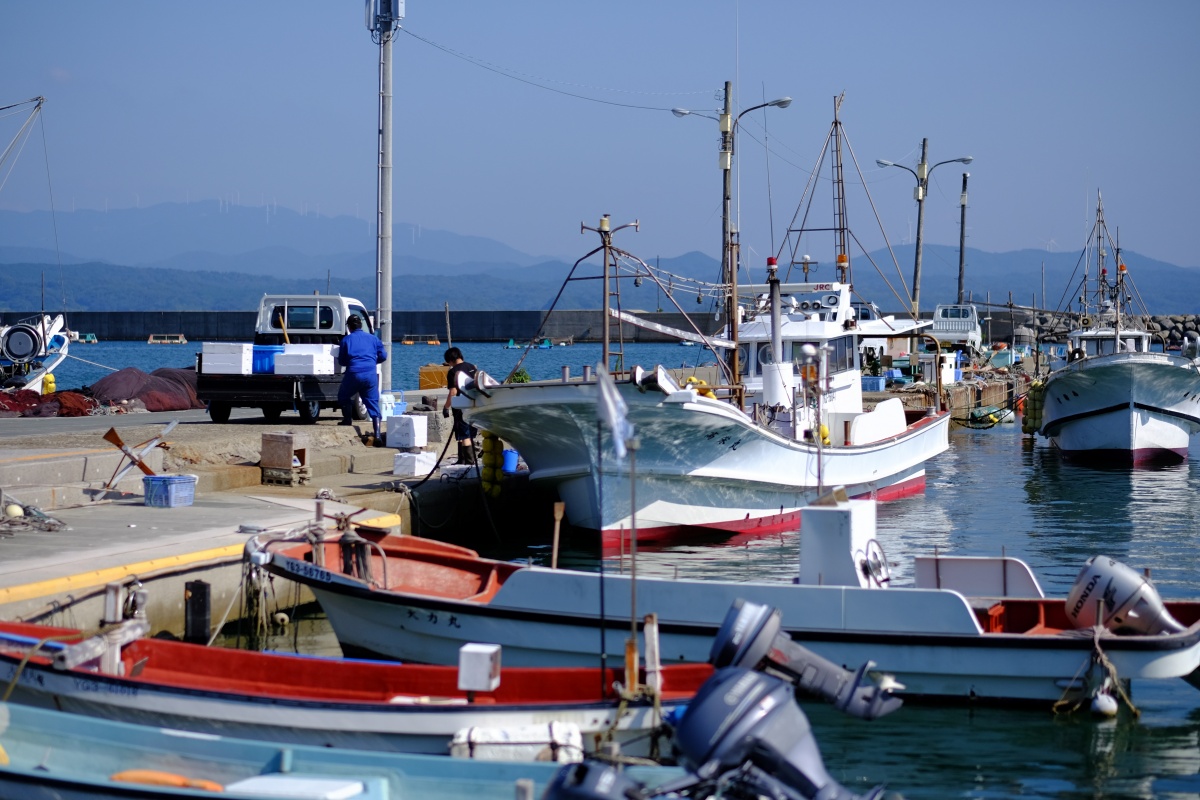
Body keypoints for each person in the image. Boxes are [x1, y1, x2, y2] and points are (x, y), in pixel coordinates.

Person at [337, 314, 388, 445]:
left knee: (343, 396)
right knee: (372, 403)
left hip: (353, 373)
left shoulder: (346, 340)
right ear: (361, 325)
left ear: (349, 327)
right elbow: (383, 356)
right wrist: (372, 361)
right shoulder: (373, 339)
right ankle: (377, 434)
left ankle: (347, 420)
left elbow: (342, 361)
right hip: (370, 374)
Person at [442, 347, 477, 464]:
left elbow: (453, 392)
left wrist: (446, 407)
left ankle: (469, 461)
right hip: (474, 404)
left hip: (460, 406)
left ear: (450, 360)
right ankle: (461, 459)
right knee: (467, 434)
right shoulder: (472, 367)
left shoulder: (453, 372)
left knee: (464, 434)